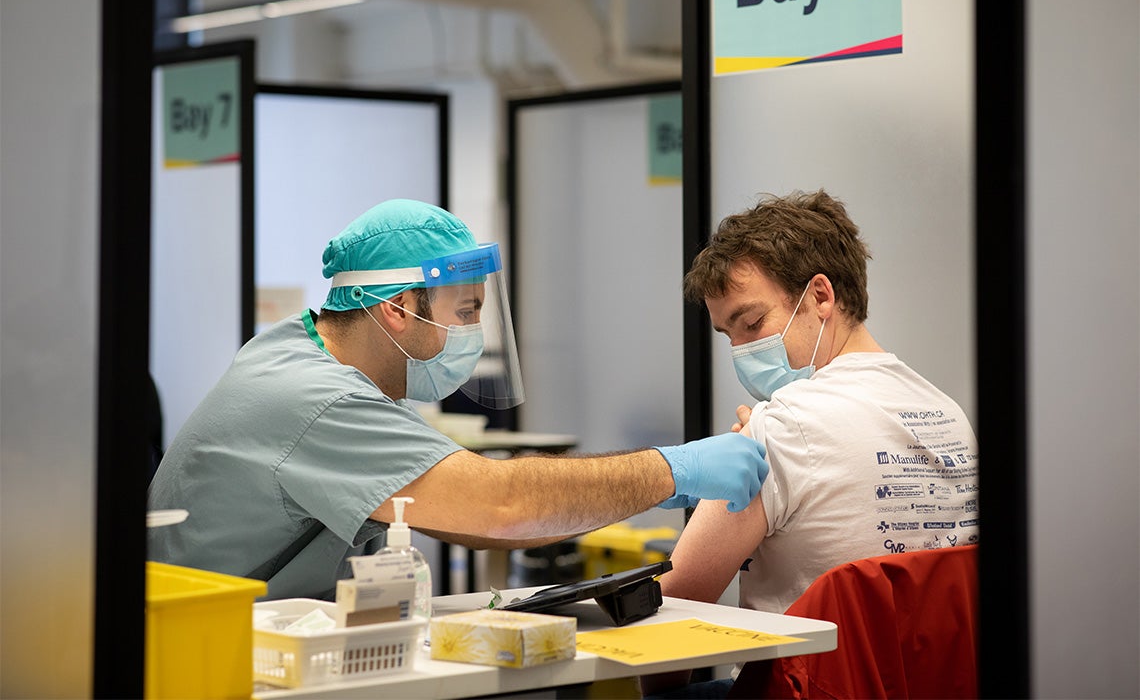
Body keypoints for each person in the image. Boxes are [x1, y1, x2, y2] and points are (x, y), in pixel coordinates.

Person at [148, 199, 769, 601]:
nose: (473, 332)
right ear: (398, 307)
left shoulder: (306, 353)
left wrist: (639, 489)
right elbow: (501, 505)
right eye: (466, 312)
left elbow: (473, 521)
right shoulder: (318, 401)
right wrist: (671, 469)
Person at [642, 190, 979, 697]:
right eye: (728, 335)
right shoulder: (951, 417)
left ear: (821, 297)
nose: (741, 352)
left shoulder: (780, 427)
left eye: (752, 323)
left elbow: (673, 615)